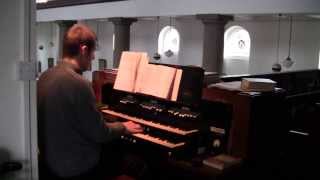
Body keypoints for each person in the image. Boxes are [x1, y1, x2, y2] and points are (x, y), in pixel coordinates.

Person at [37, 23, 144, 180]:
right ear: (84, 49)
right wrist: (123, 127)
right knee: (137, 164)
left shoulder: (45, 76)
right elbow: (100, 133)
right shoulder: (79, 83)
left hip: (49, 163)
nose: (93, 57)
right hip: (76, 167)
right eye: (93, 52)